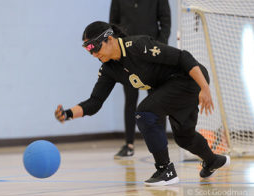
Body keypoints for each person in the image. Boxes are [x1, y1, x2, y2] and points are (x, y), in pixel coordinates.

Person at [54, 21, 230, 186]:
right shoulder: (109, 69)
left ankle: (165, 171)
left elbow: (182, 57)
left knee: (144, 113)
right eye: (88, 50)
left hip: (188, 78)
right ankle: (213, 160)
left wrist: (204, 87)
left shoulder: (138, 46)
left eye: (95, 47)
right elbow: (95, 102)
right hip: (169, 87)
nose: (93, 54)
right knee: (184, 138)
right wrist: (68, 114)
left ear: (109, 39)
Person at [109, 0, 171, 159]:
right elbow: (112, 25)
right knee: (130, 100)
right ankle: (129, 145)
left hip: (152, 54)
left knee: (157, 100)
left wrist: (159, 48)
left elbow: (165, 21)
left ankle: (161, 143)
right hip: (127, 56)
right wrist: (119, 51)